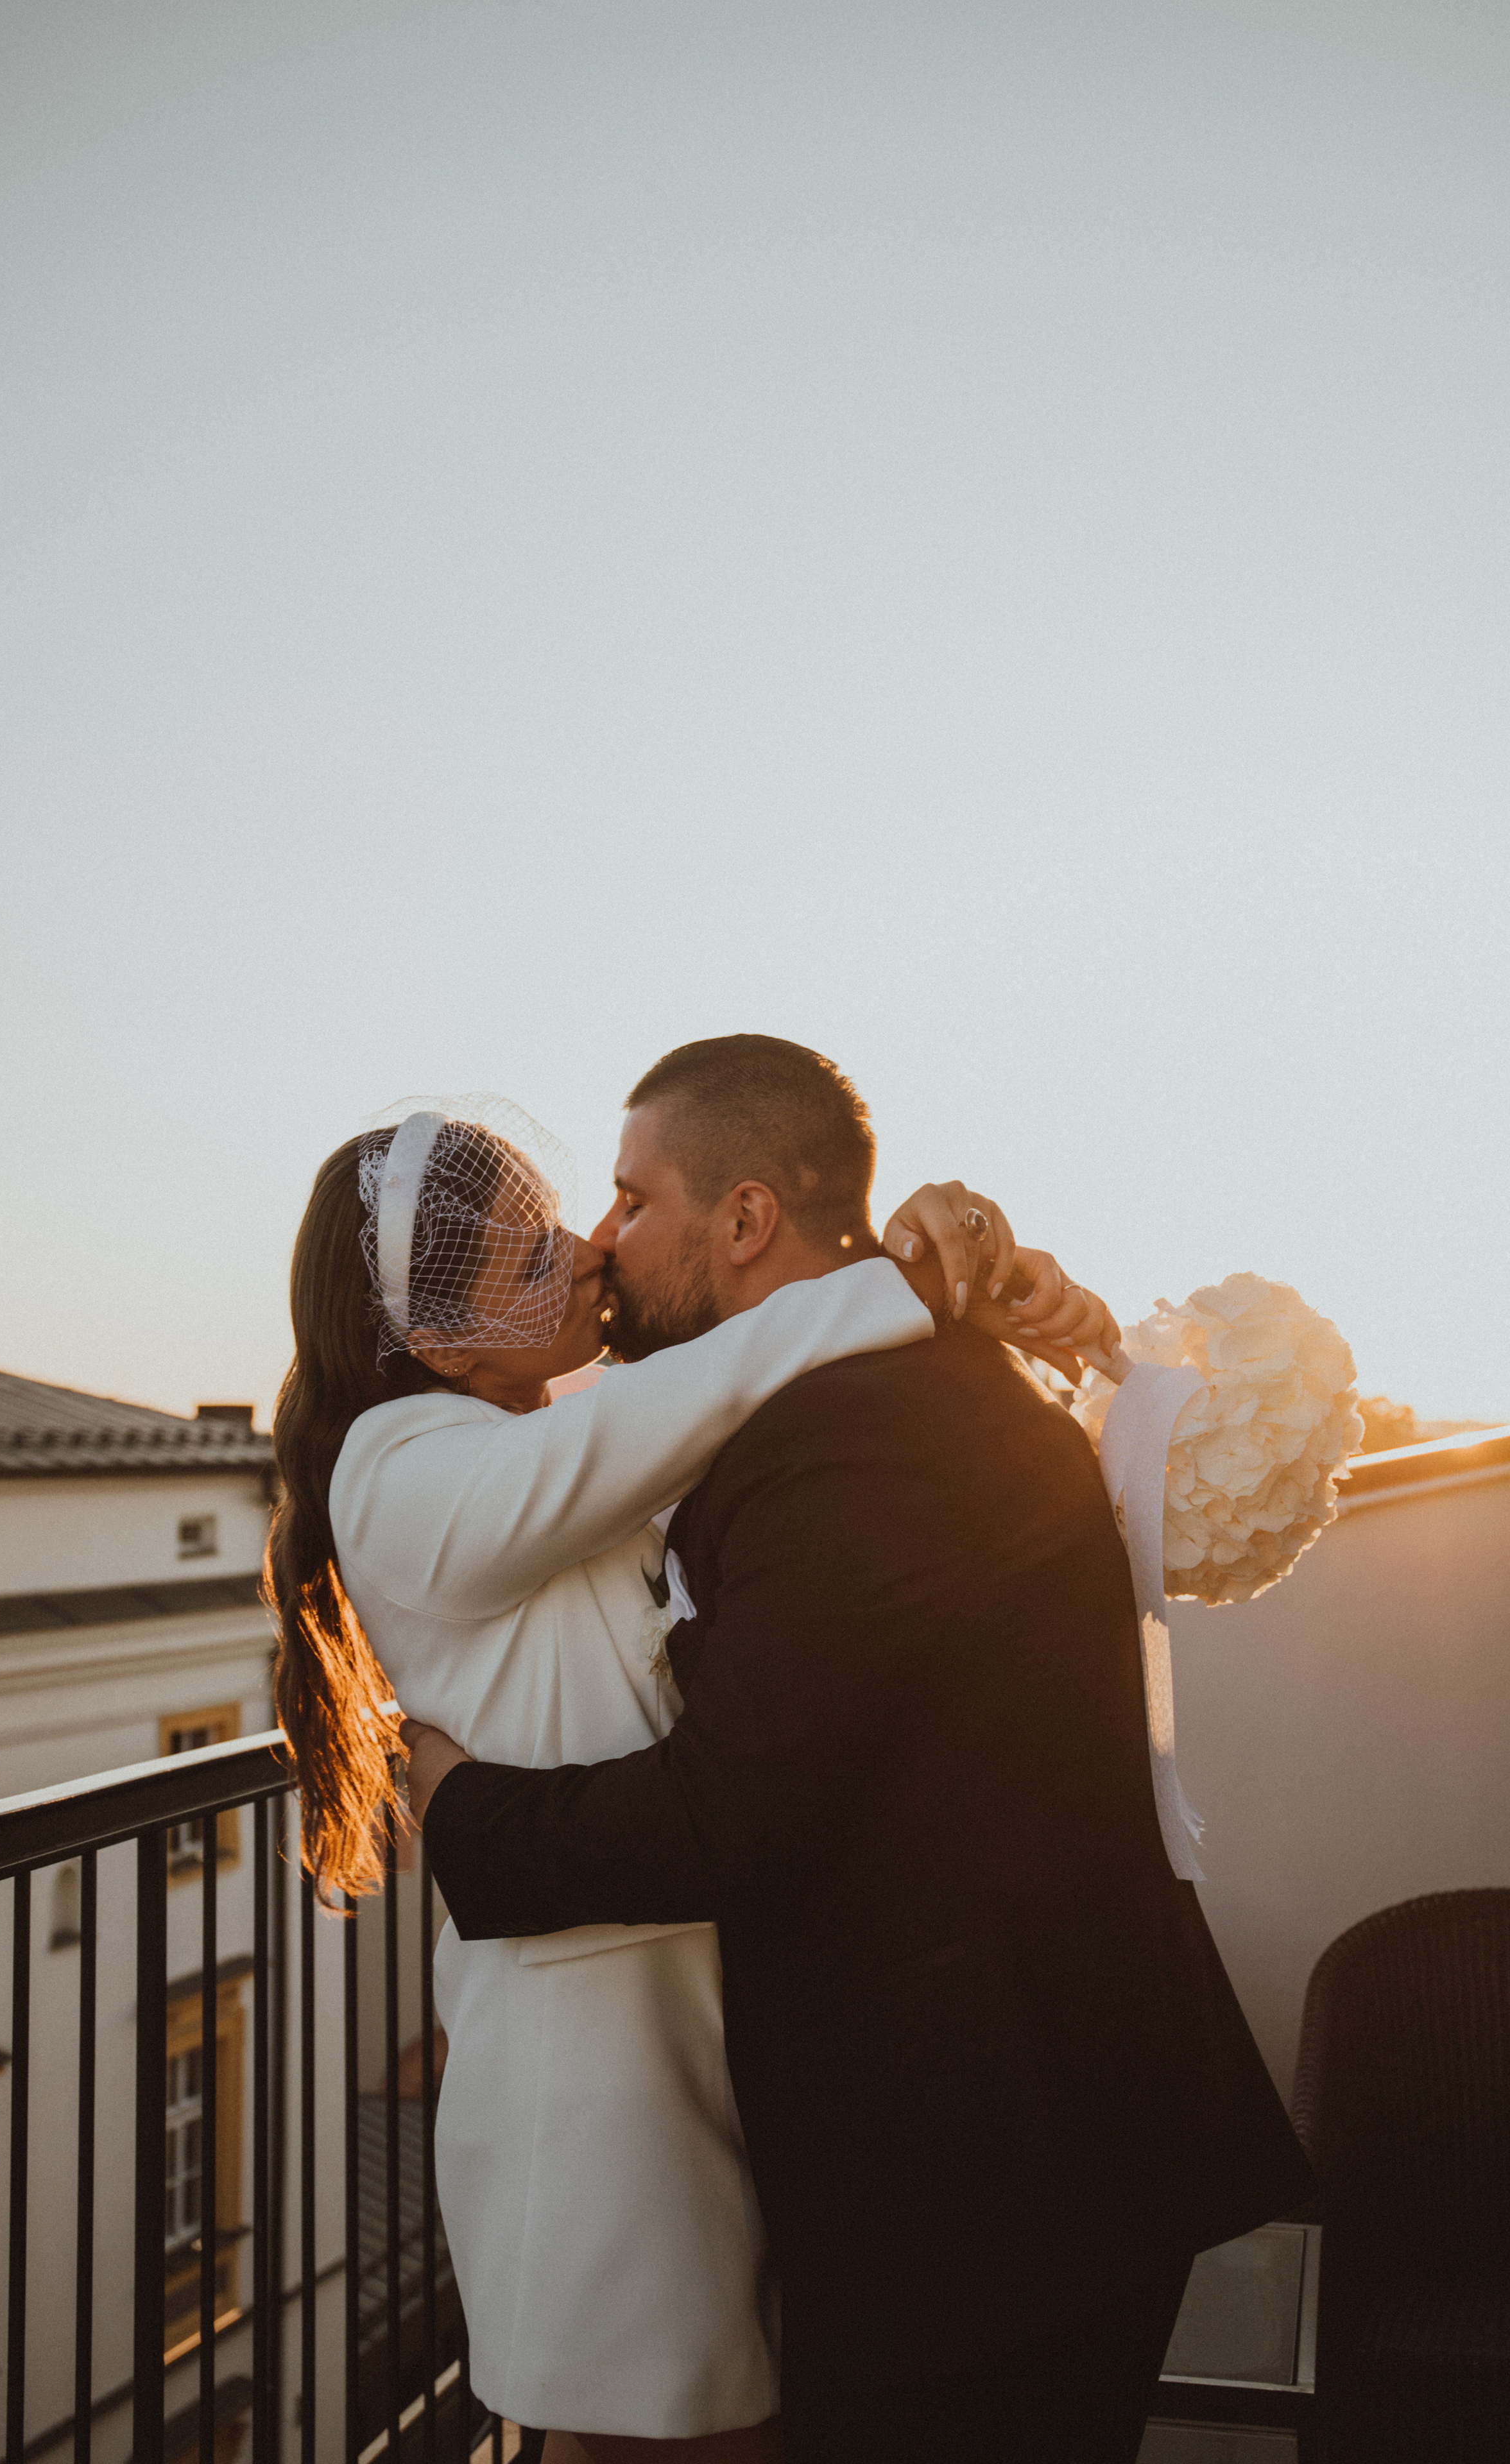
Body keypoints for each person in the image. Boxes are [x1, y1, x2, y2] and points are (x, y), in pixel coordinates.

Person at [404, 1034, 1316, 2464]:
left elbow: (729, 1813)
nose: (600, 1241)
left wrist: (461, 1814)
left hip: (995, 2183)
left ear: (747, 1219)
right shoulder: (862, 1393)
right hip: (1014, 2142)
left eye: (633, 1201)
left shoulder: (855, 1437)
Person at [264, 1070, 1108, 2464]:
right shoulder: (396, 1468)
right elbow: (697, 1394)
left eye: (586, 1221)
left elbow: (719, 1417)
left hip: (682, 2041)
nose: (589, 1251)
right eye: (534, 1253)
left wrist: (953, 1259)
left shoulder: (514, 1435)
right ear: (436, 1331)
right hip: (583, 2091)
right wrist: (897, 1274)